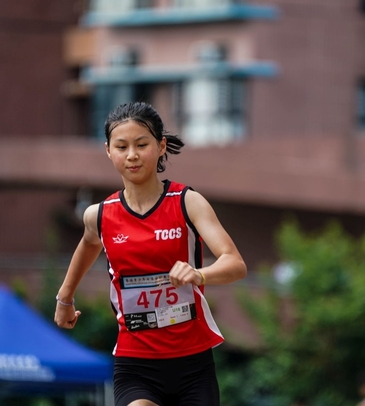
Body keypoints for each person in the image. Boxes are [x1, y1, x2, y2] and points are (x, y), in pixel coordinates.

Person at [54, 102, 247, 406]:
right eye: (122, 146)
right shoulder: (100, 216)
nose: (132, 155)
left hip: (192, 363)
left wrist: (199, 274)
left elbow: (235, 263)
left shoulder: (187, 202)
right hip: (135, 363)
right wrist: (65, 298)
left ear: (161, 146)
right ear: (108, 151)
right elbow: (89, 244)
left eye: (142, 145)